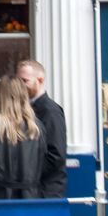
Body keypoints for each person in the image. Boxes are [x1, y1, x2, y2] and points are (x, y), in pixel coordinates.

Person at [17, 59, 67, 197]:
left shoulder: (51, 111)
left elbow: (56, 155)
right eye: (18, 81)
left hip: (46, 190)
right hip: (35, 188)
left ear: (39, 80)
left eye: (24, 81)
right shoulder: (28, 108)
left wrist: (26, 173)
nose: (20, 86)